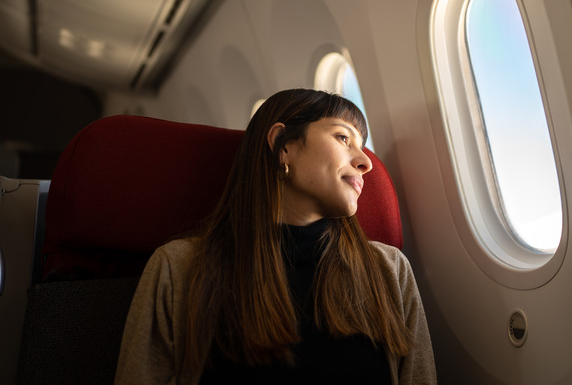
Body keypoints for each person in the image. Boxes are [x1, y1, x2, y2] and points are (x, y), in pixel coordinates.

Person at [114, 88, 437, 384]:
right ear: (283, 146)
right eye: (343, 138)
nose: (366, 162)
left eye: (362, 146)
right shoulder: (180, 267)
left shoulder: (389, 269)